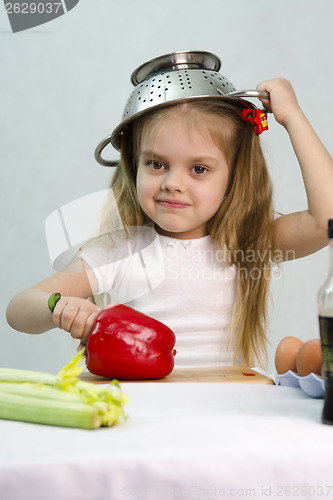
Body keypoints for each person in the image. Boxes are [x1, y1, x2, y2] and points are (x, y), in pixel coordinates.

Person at [6, 63, 333, 370]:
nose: (173, 183)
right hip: (139, 412)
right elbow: (18, 309)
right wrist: (58, 307)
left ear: (235, 176)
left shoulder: (249, 242)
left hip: (226, 411)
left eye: (199, 169)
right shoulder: (120, 251)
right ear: (135, 165)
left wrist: (293, 118)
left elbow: (325, 220)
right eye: (157, 164)